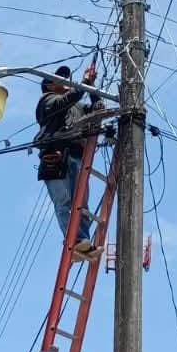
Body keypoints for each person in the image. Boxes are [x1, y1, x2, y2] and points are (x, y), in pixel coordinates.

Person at [34, 64, 104, 261]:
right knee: (64, 201)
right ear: (49, 85)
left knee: (81, 203)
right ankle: (75, 242)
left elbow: (98, 111)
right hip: (56, 156)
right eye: (60, 79)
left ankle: (83, 243)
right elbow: (66, 100)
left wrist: (91, 88)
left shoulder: (78, 106)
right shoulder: (46, 101)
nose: (65, 81)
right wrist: (83, 86)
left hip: (78, 156)